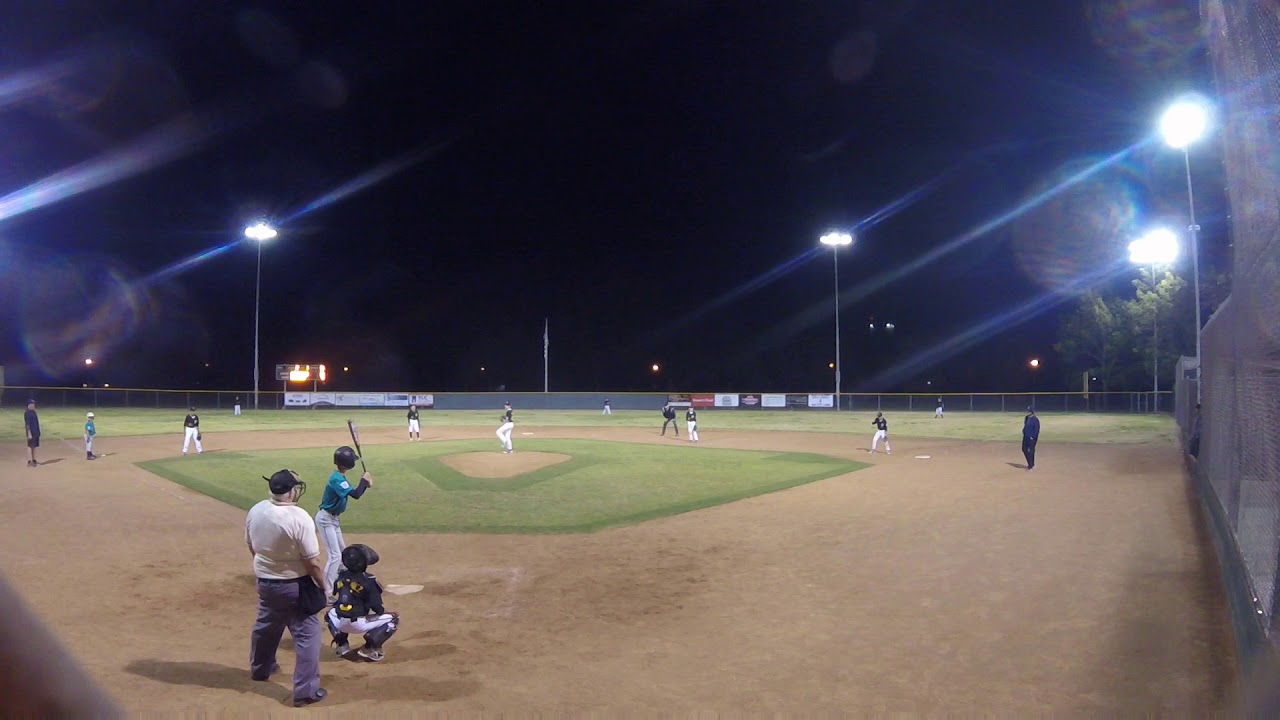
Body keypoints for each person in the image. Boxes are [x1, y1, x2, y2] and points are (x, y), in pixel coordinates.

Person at [246, 469, 329, 707]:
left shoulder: (256, 509)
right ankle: (305, 692)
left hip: (266, 582)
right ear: (291, 491)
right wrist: (324, 587)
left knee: (266, 625)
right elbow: (312, 562)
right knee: (308, 635)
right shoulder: (299, 517)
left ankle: (260, 669)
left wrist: (266, 569)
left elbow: (251, 546)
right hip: (295, 585)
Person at [325, 544, 400, 663]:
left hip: (339, 622)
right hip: (358, 624)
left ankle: (342, 645)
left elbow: (337, 593)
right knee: (393, 619)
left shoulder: (341, 576)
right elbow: (377, 608)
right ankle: (370, 648)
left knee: (329, 614)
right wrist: (389, 613)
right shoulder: (369, 580)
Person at [316, 447, 373, 591]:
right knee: (335, 556)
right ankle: (326, 591)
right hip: (326, 519)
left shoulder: (339, 477)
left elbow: (355, 492)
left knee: (342, 553)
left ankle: (343, 581)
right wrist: (364, 481)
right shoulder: (336, 479)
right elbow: (355, 494)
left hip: (333, 520)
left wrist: (365, 484)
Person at [1022, 406, 1040, 471]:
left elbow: (1036, 429)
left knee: (1031, 450)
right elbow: (1025, 425)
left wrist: (1033, 437)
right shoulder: (1026, 418)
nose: (1027, 412)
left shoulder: (1035, 419)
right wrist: (1023, 431)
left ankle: (1031, 466)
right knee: (1024, 449)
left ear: (1032, 412)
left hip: (1032, 438)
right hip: (1026, 436)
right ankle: (1031, 463)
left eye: (1028, 411)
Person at [24, 399, 40, 467]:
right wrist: (29, 433)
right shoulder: (27, 413)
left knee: (34, 446)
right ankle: (29, 461)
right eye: (32, 404)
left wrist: (39, 432)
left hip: (36, 432)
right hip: (31, 432)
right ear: (29, 405)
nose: (33, 405)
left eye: (34, 404)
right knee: (30, 446)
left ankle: (33, 459)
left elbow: (36, 422)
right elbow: (27, 424)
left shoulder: (34, 412)